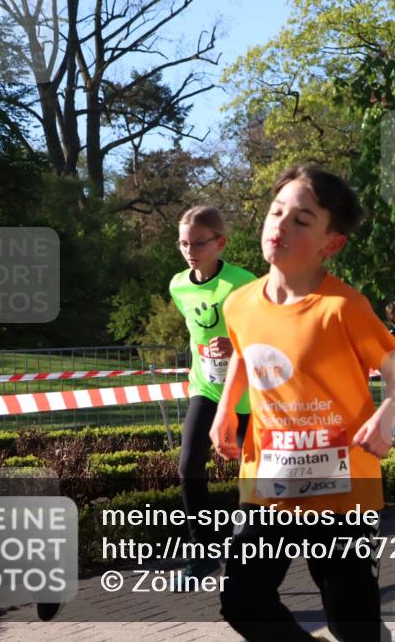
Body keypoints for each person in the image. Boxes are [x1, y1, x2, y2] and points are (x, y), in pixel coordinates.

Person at [209, 165, 395, 641]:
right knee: (242, 600)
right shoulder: (239, 303)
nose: (279, 226)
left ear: (331, 244)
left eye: (301, 220)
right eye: (276, 212)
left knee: (351, 621)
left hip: (340, 489)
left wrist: (387, 416)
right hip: (269, 484)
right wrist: (224, 410)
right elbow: (244, 353)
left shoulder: (342, 307)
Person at [169, 205, 257, 588]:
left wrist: (236, 341)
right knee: (188, 467)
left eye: (199, 243)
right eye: (184, 243)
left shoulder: (243, 282)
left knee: (258, 482)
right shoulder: (178, 285)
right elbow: (196, 334)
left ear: (219, 242)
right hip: (205, 389)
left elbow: (268, 334)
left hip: (249, 396)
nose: (190, 250)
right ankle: (203, 553)